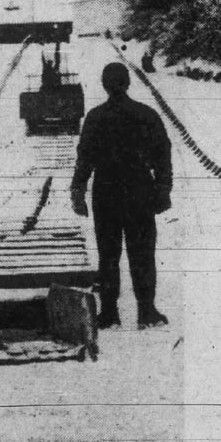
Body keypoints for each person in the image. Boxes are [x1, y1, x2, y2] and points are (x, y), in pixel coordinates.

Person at [70, 62, 172, 330]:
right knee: (143, 254)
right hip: (139, 190)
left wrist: (78, 191)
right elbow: (163, 156)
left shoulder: (95, 117)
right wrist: (162, 191)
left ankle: (109, 313)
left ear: (104, 85)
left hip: (106, 192)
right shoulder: (146, 114)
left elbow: (85, 159)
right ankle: (146, 311)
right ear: (128, 83)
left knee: (108, 254)